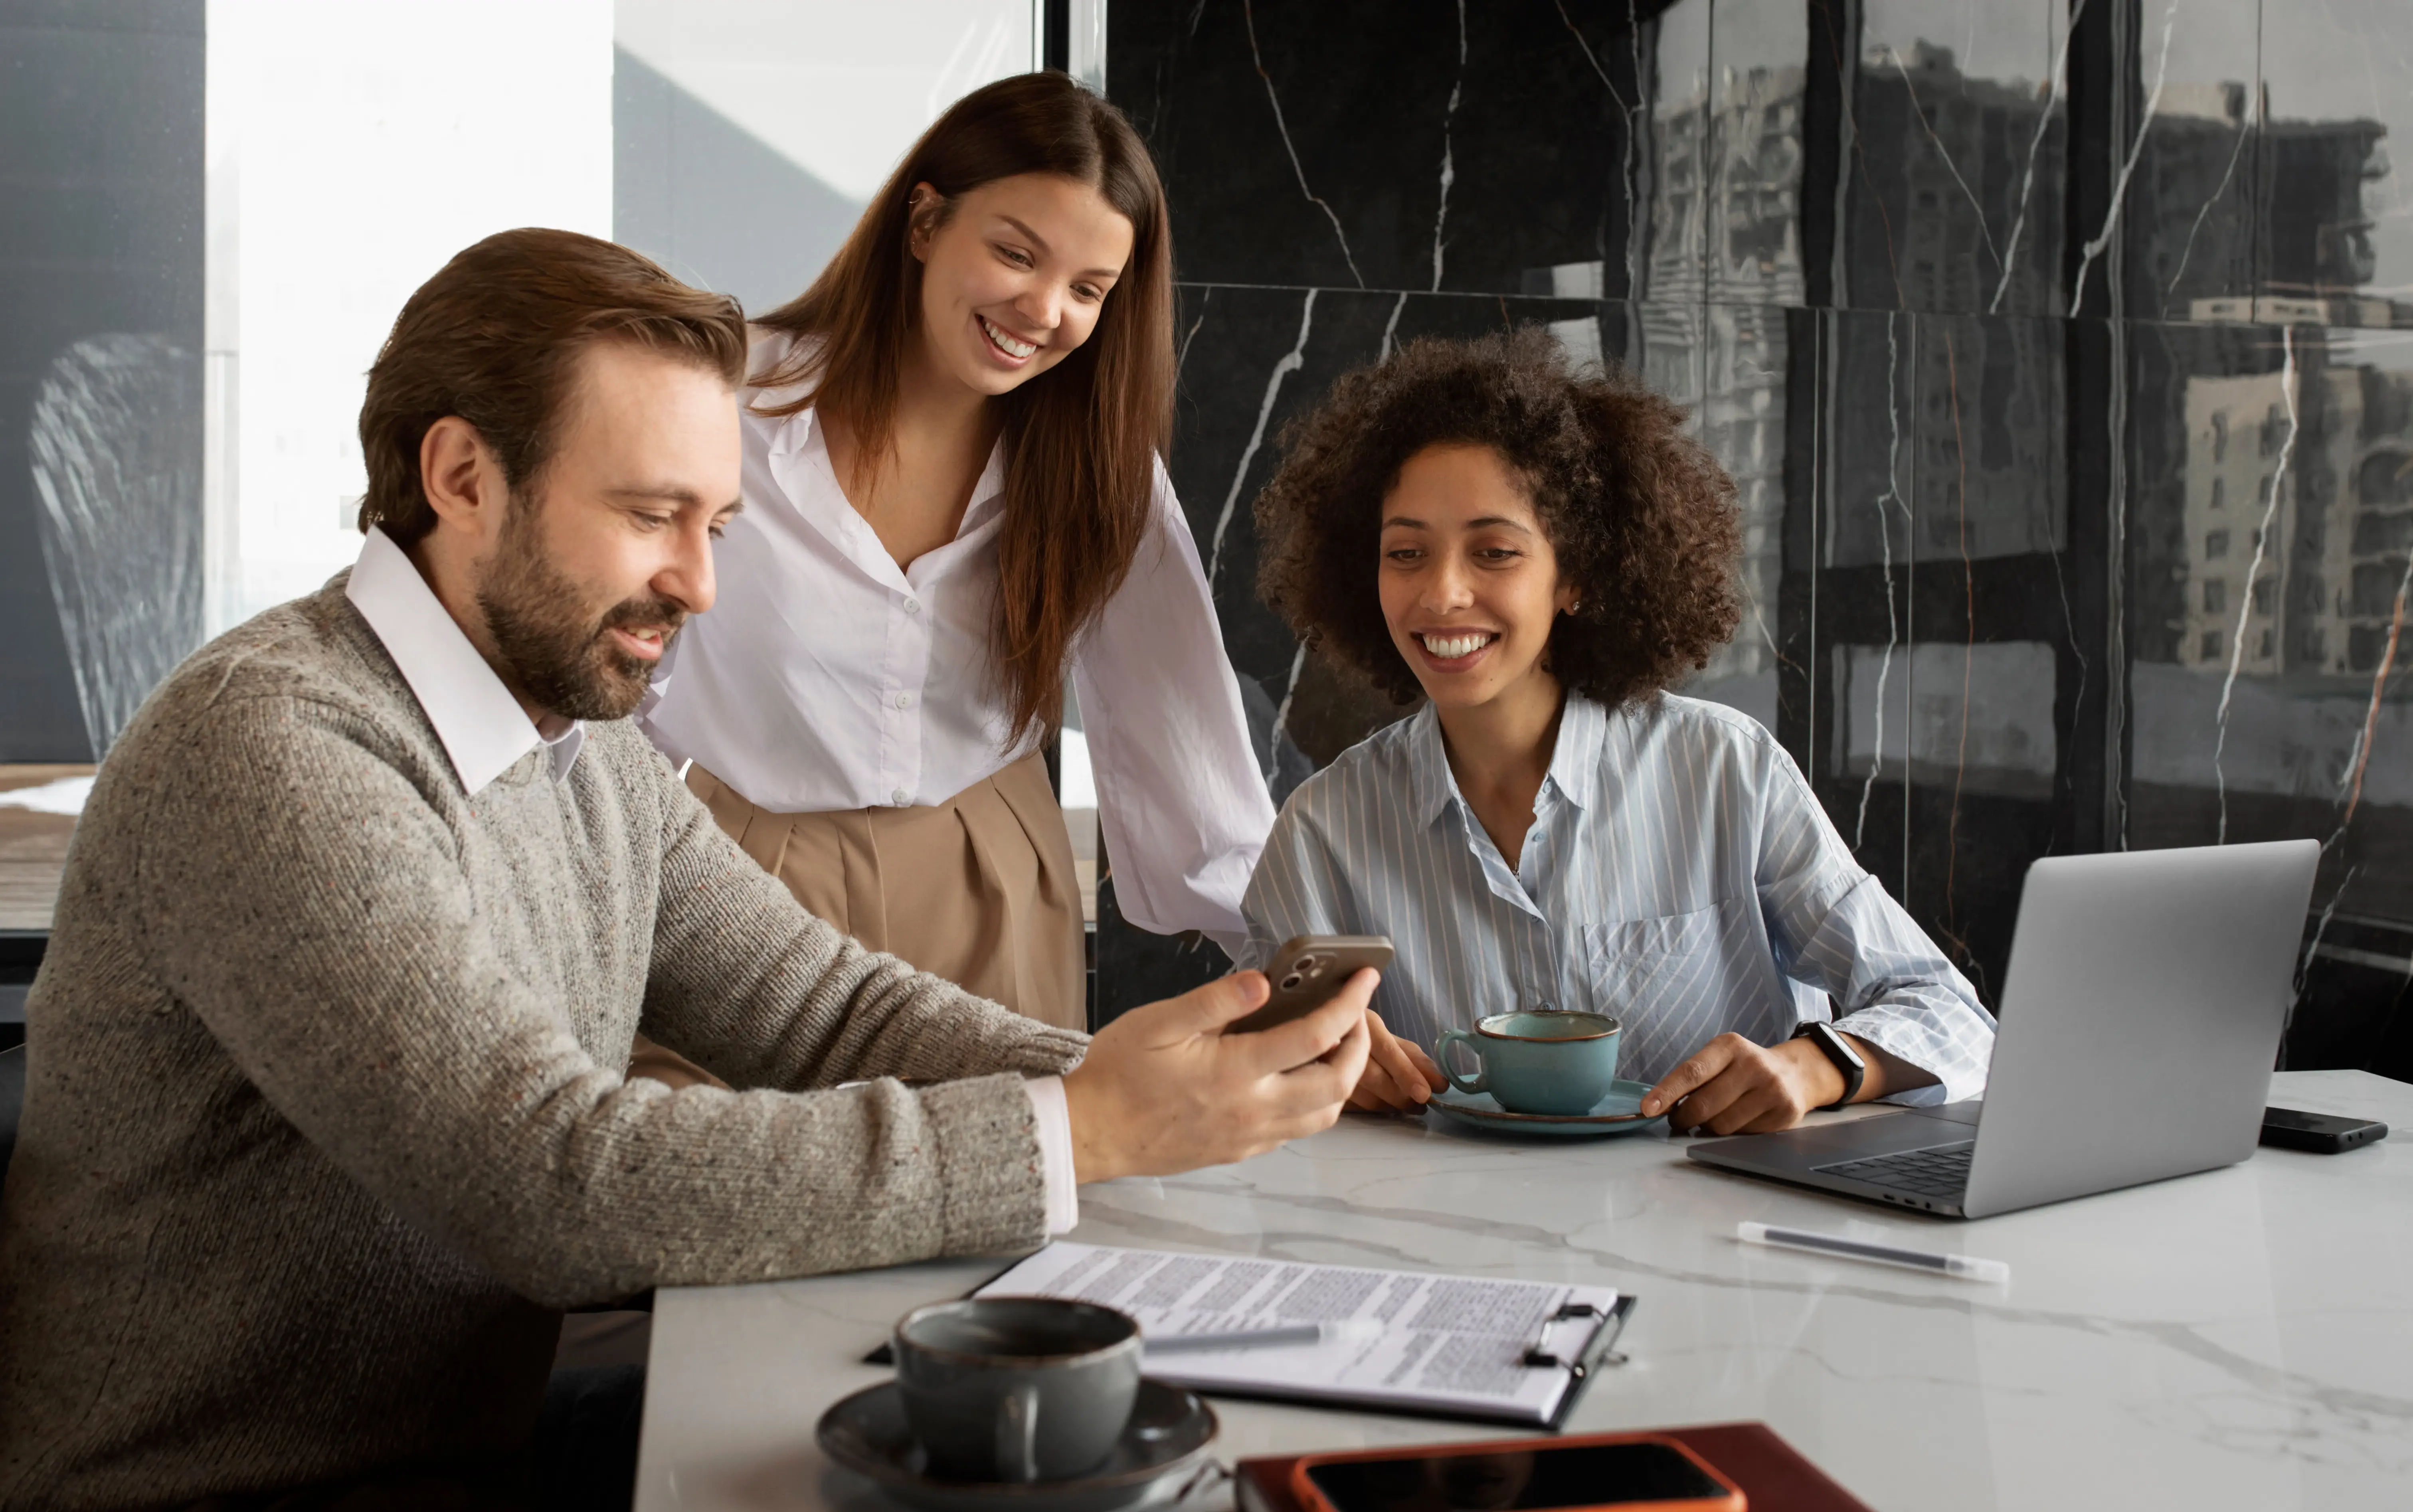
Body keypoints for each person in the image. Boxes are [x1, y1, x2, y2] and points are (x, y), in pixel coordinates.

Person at [0, 229, 1372, 1512]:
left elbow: (823, 1011)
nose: (700, 584)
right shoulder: (273, 745)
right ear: (462, 477)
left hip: (466, 1442)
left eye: (717, 524)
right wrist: (1077, 1131)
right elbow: (548, 1180)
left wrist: (1180, 1078)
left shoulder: (570, 744)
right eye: (654, 513)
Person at [639, 72, 1273, 1034]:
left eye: (1088, 289)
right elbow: (609, 692)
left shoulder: (1099, 469)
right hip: (748, 891)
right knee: (744, 1174)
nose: (1043, 309)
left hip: (997, 893)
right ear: (926, 221)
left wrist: (1302, 980)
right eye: (1016, 253)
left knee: (1008, 1177)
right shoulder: (724, 408)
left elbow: (1177, 723)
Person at [1239, 329, 1995, 1134]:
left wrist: (1816, 1067)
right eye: (1405, 553)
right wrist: (1313, 1068)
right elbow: (1243, 1065)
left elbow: (1946, 1012)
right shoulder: (1322, 829)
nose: (1443, 593)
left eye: (1493, 551)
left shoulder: (1723, 771)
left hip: (1715, 1238)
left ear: (1575, 575)